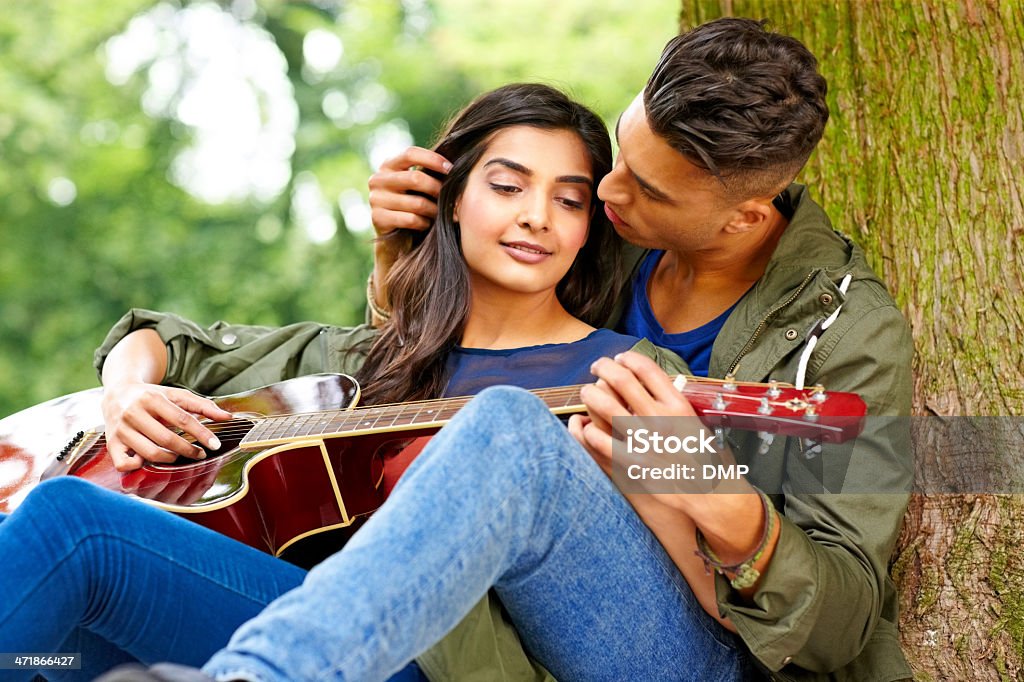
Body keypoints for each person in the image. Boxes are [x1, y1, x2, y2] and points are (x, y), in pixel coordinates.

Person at [0, 83, 697, 681]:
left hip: (445, 664)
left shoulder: (628, 376)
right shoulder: (363, 358)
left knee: (72, 527)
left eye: (569, 201)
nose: (536, 217)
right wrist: (128, 396)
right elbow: (161, 339)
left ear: (586, 232)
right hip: (300, 626)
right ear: (449, 200)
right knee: (55, 627)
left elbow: (663, 593)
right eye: (508, 186)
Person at [364, 16, 914, 682]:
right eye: (623, 152)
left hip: (687, 647)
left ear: (744, 215)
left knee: (505, 430)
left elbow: (843, 625)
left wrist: (707, 486)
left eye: (649, 189)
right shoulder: (603, 233)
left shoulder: (850, 336)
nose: (604, 191)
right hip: (490, 617)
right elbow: (476, 345)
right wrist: (405, 251)